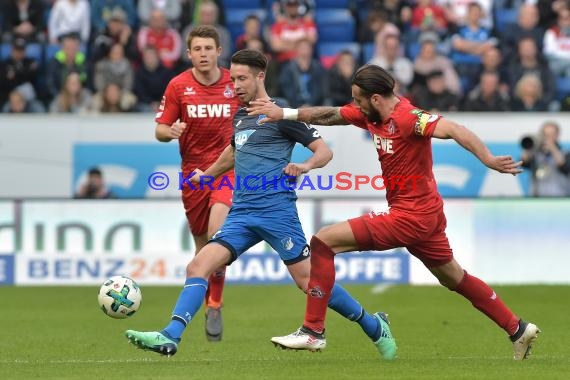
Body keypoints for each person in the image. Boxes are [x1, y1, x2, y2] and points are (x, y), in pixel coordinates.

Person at [247, 64, 541, 361]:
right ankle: (517, 328)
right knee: (454, 278)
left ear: (375, 98)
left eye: (359, 100)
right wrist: (284, 113)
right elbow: (332, 114)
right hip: (425, 215)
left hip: (411, 216)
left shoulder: (409, 118)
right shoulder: (370, 114)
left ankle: (312, 331)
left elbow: (454, 129)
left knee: (323, 242)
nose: (356, 106)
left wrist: (488, 159)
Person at [124, 49, 396, 360]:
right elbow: (234, 152)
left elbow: (324, 152)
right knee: (198, 265)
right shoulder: (240, 117)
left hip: (277, 214)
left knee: (309, 282)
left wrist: (305, 166)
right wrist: (207, 175)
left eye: (242, 79)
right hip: (242, 214)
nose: (235, 85)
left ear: (260, 77)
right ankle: (170, 335)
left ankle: (374, 326)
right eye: (233, 79)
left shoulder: (281, 114)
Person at [147, 25, 241, 342]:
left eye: (208, 48)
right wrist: (169, 131)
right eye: (197, 49)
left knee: (217, 233)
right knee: (202, 252)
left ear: (218, 51)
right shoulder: (178, 87)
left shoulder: (234, 83)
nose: (203, 54)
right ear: (189, 54)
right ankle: (209, 301)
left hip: (228, 169)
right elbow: (159, 129)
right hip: (192, 175)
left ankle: (215, 303)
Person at [521, 121, 570, 197]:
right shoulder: (535, 153)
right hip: (537, 198)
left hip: (560, 198)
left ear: (557, 135)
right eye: (545, 134)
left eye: (551, 134)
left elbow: (564, 166)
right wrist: (529, 145)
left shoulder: (565, 153)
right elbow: (524, 163)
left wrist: (552, 148)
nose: (547, 137)